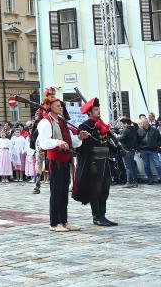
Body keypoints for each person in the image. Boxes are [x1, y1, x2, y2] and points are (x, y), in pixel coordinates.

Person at [38, 97, 89, 232]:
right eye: (57, 106)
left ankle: (64, 220)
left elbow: (67, 139)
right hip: (55, 160)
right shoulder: (45, 122)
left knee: (63, 192)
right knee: (56, 192)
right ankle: (54, 223)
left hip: (65, 159)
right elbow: (44, 142)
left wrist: (79, 137)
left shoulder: (61, 121)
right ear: (50, 107)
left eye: (60, 106)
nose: (60, 108)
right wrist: (57, 143)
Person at [72, 98, 118, 227]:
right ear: (90, 112)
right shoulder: (85, 126)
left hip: (105, 161)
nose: (99, 112)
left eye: (99, 109)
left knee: (105, 189)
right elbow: (82, 146)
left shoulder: (102, 125)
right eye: (96, 109)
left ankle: (103, 215)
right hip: (93, 162)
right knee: (95, 190)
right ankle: (96, 216)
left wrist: (117, 148)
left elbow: (107, 142)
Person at [136, 117, 161, 184]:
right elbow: (137, 142)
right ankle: (151, 180)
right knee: (146, 166)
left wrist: (157, 146)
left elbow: (159, 139)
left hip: (153, 150)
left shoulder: (155, 130)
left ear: (146, 123)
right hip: (143, 150)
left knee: (158, 165)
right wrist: (138, 150)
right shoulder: (139, 131)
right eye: (141, 123)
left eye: (142, 123)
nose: (141, 124)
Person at [118, 117, 139, 188]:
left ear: (126, 123)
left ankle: (129, 182)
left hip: (126, 150)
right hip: (132, 150)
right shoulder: (134, 129)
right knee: (132, 167)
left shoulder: (126, 130)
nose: (121, 125)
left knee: (128, 167)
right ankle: (135, 182)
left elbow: (121, 138)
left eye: (122, 124)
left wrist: (116, 136)